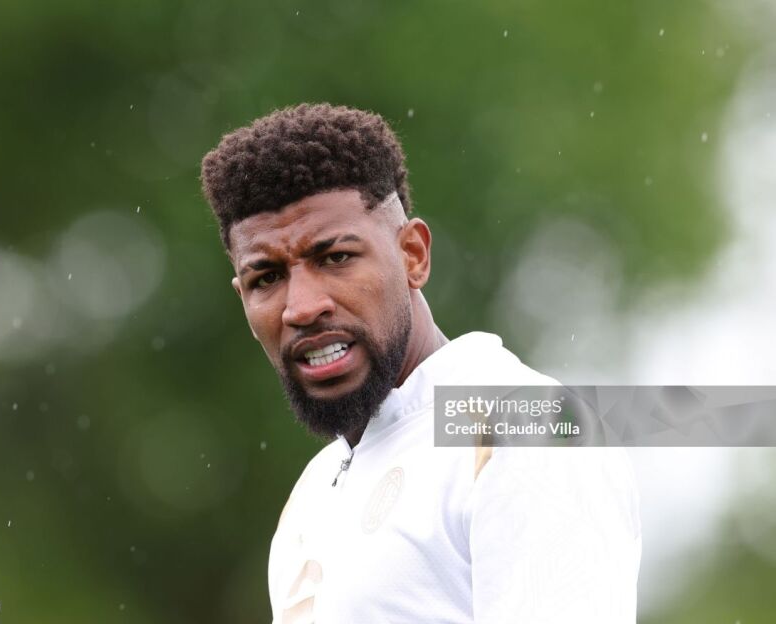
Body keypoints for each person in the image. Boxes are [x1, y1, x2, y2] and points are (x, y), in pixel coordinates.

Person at [200, 103, 641, 623]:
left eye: (335, 258)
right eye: (267, 278)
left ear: (413, 254)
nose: (301, 307)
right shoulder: (313, 492)